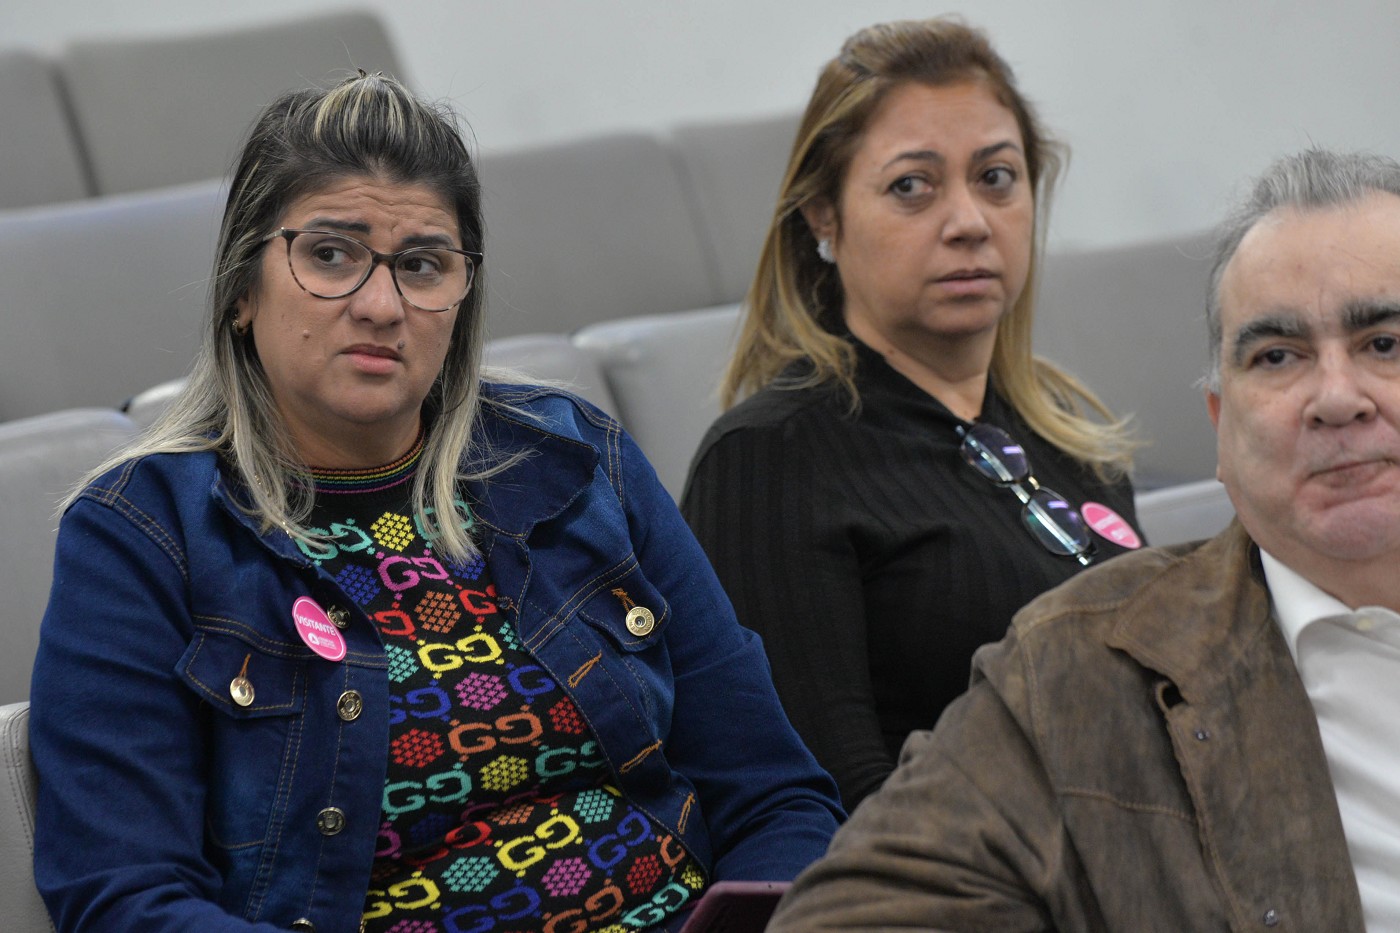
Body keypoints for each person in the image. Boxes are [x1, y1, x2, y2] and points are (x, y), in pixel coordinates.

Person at [28, 73, 842, 933]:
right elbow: (125, 899)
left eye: (421, 266)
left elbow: (775, 794)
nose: (381, 306)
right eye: (330, 255)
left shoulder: (573, 459)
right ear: (242, 288)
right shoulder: (142, 535)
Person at [764, 146, 1400, 931]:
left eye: (1384, 344)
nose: (1337, 397)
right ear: (1221, 426)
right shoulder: (1077, 675)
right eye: (1277, 356)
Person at [681, 17, 1142, 810]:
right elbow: (831, 804)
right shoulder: (768, 459)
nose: (969, 221)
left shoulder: (1073, 436)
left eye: (996, 177)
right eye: (911, 186)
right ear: (823, 215)